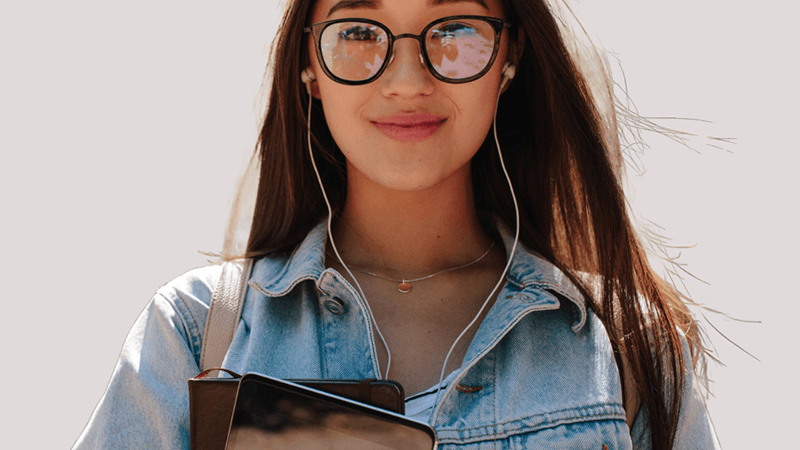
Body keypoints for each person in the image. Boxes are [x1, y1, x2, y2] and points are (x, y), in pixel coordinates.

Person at [73, 0, 720, 448]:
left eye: (452, 28)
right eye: (359, 32)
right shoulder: (195, 334)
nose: (408, 81)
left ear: (510, 55)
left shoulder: (628, 344)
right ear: (308, 65)